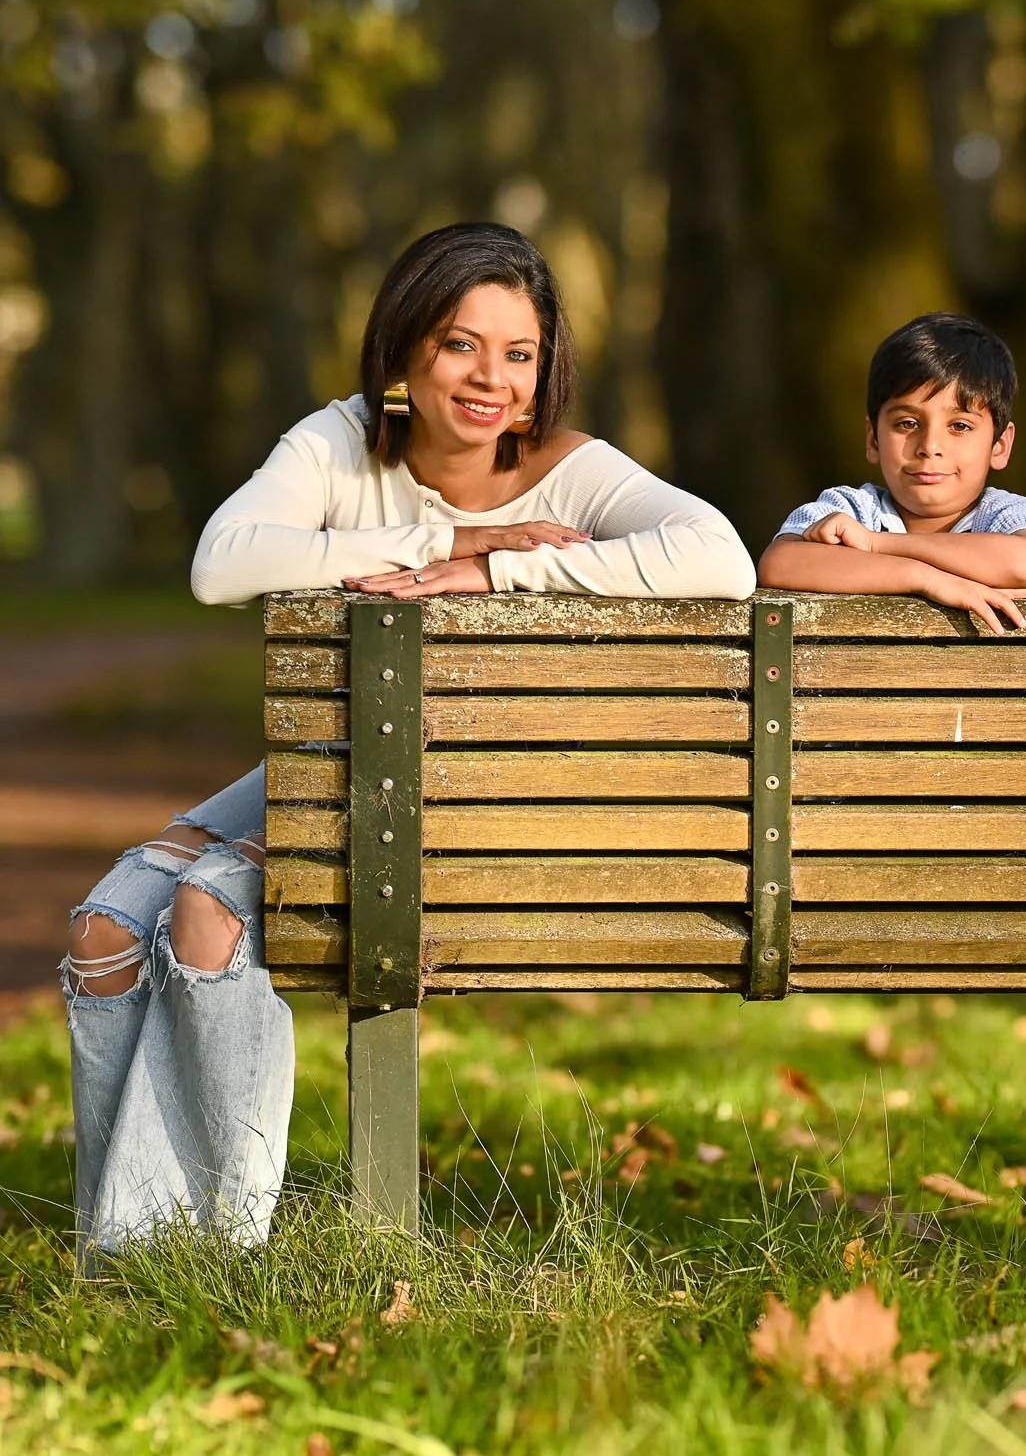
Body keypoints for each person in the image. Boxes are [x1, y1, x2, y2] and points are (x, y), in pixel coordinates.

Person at [64, 222, 754, 1263]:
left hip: (465, 798)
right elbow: (223, 562)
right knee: (104, 931)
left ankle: (204, 1254)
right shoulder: (340, 443)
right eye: (459, 344)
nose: (491, 379)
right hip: (334, 766)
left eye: (517, 354)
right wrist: (448, 540)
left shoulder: (572, 471)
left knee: (208, 910)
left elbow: (724, 560)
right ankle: (120, 1248)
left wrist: (499, 573)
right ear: (402, 349)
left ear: (544, 369)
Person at [755, 313, 1026, 634]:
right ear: (873, 439)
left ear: (999, 445)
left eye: (959, 426)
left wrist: (874, 545)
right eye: (907, 423)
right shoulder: (854, 508)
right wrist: (924, 579)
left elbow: (1025, 565)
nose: (929, 446)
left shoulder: (1004, 515)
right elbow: (781, 563)